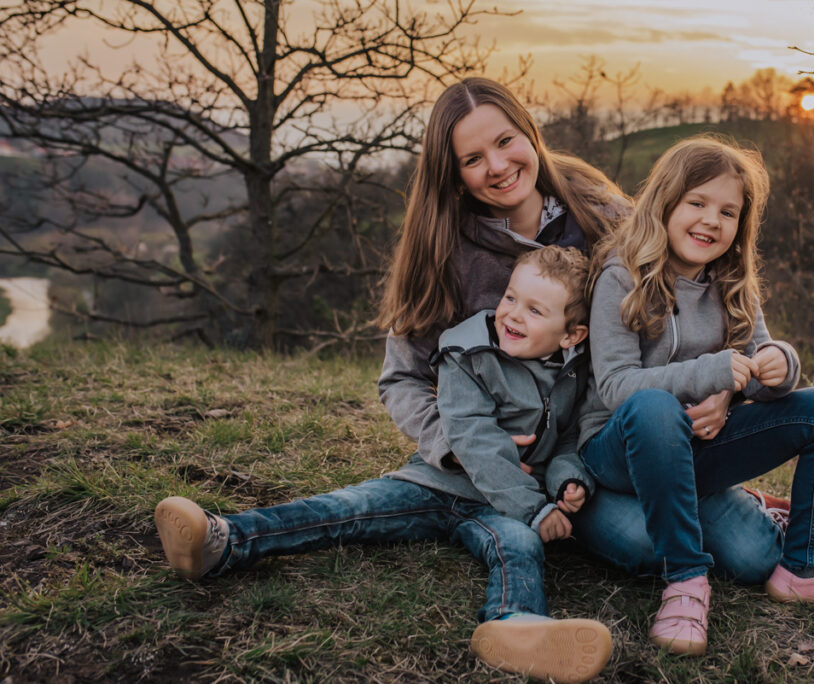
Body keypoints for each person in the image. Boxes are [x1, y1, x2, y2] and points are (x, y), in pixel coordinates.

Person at [375, 76, 786, 591]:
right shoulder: (442, 252)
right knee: (643, 546)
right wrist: (457, 444)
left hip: (625, 429)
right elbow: (401, 381)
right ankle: (690, 508)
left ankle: (722, 499)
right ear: (454, 175)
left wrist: (723, 387)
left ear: (531, 134)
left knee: (755, 560)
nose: (498, 166)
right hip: (554, 467)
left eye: (505, 142)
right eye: (473, 159)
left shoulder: (603, 212)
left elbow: (692, 299)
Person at [156, 246, 611, 684]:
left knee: (519, 548)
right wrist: (535, 509)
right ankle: (224, 540)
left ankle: (516, 625)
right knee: (348, 507)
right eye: (510, 297)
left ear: (571, 335)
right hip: (438, 483)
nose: (512, 313)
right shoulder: (466, 353)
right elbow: (473, 437)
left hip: (499, 509)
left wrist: (570, 479)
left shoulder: (574, 372)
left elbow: (569, 440)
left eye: (534, 310)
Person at [578, 135, 814, 657]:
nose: (710, 221)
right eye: (696, 203)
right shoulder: (621, 275)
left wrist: (779, 365)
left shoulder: (733, 282)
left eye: (727, 211)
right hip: (618, 455)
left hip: (698, 454)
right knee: (653, 418)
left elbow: (762, 361)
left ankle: (804, 568)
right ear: (664, 204)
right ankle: (685, 581)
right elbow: (615, 387)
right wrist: (714, 374)